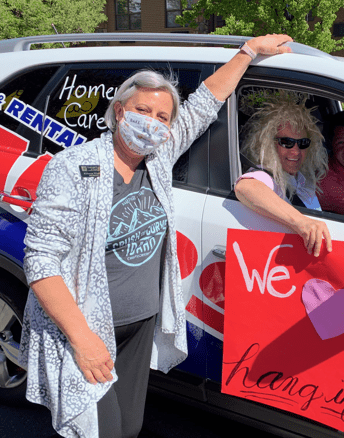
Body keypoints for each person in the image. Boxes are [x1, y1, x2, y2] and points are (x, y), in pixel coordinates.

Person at [19, 34, 292, 438]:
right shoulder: (74, 167)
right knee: (99, 431)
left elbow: (203, 104)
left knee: (129, 428)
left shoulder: (158, 157)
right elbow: (40, 260)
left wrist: (247, 54)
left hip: (139, 322)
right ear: (119, 111)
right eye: (141, 110)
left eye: (162, 117)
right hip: (90, 326)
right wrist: (83, 340)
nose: (152, 122)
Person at [234, 92, 332, 257]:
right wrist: (301, 222)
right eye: (286, 142)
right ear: (269, 144)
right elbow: (246, 186)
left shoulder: (302, 180)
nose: (295, 151)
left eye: (303, 143)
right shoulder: (267, 176)